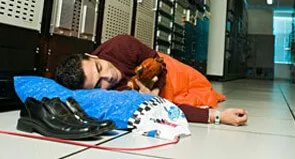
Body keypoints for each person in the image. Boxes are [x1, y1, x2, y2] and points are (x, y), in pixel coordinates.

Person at [54, 34, 247, 126]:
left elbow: (157, 61)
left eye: (99, 68)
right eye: (98, 83)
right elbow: (166, 111)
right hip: (166, 98)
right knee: (197, 101)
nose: (109, 76)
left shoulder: (122, 45)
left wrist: (156, 87)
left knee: (203, 85)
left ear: (93, 56)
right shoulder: (113, 96)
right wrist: (218, 117)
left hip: (170, 70)